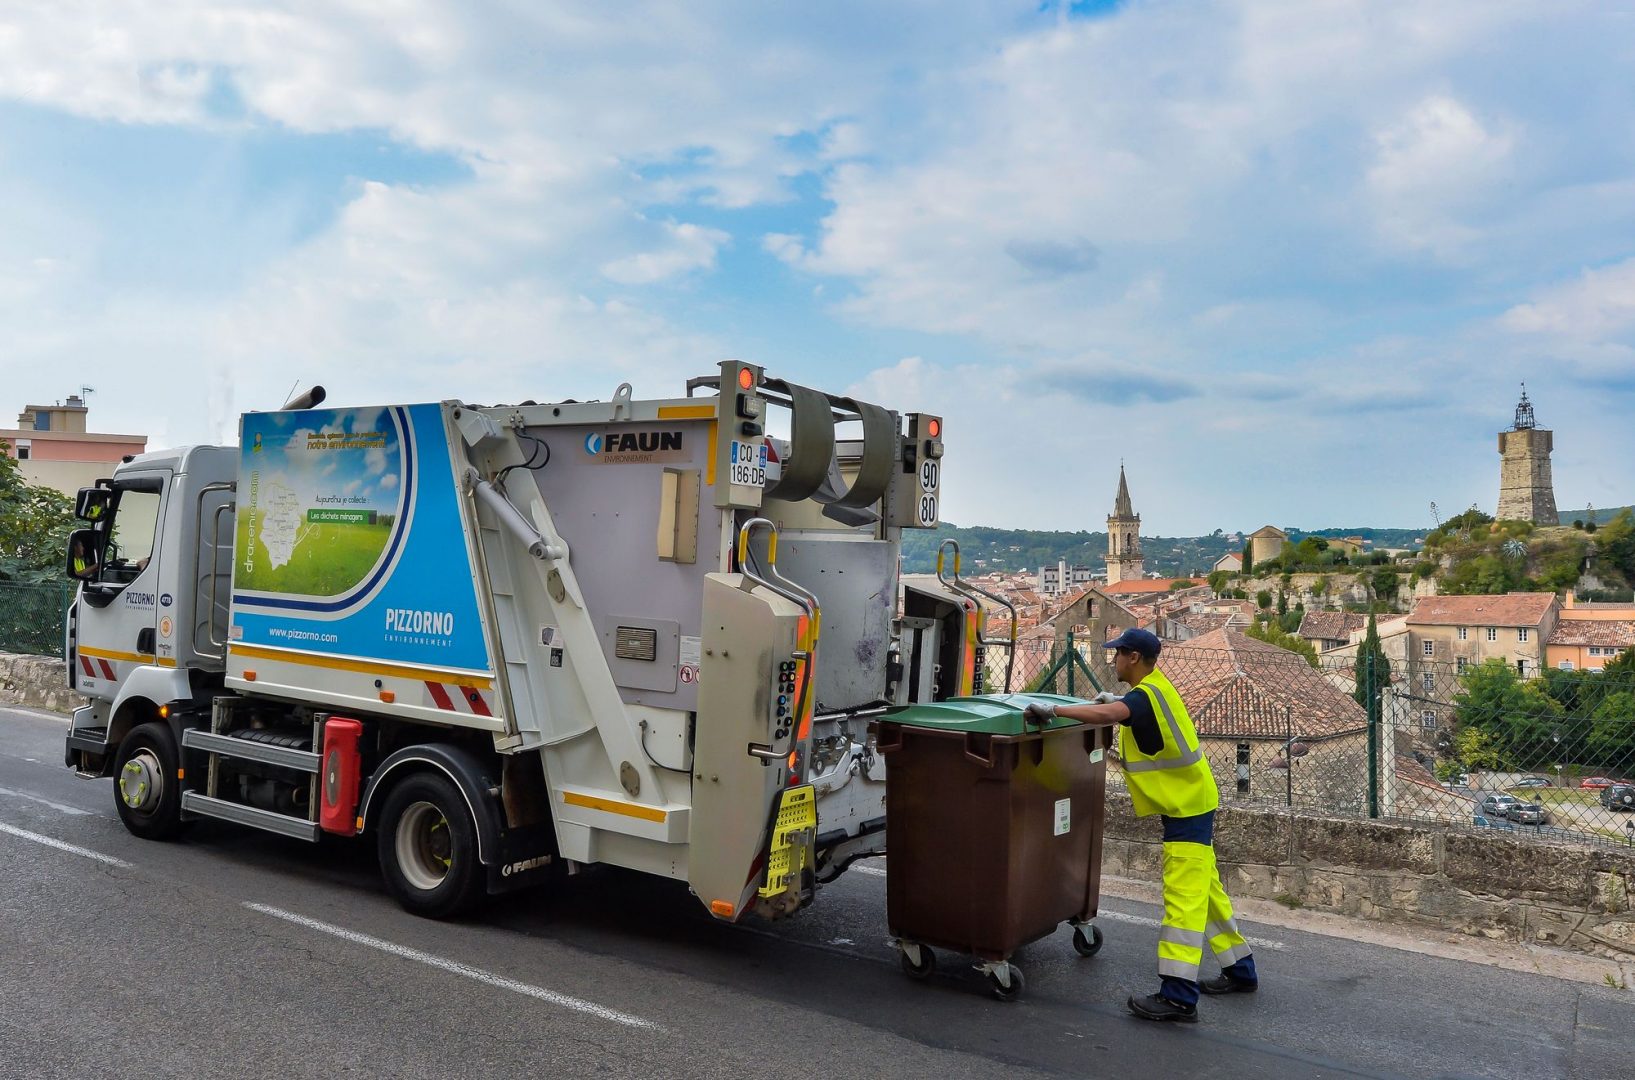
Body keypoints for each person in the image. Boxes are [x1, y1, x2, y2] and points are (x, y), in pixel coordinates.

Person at [1023, 626, 1257, 1023]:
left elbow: (1114, 715)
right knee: (1207, 893)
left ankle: (1179, 997)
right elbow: (1129, 710)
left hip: (1186, 811)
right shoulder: (1155, 687)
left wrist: (1056, 711)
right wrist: (1116, 699)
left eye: (1117, 653)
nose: (1112, 659)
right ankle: (1240, 970)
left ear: (1133, 658)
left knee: (1182, 903)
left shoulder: (1144, 697)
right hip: (1193, 803)